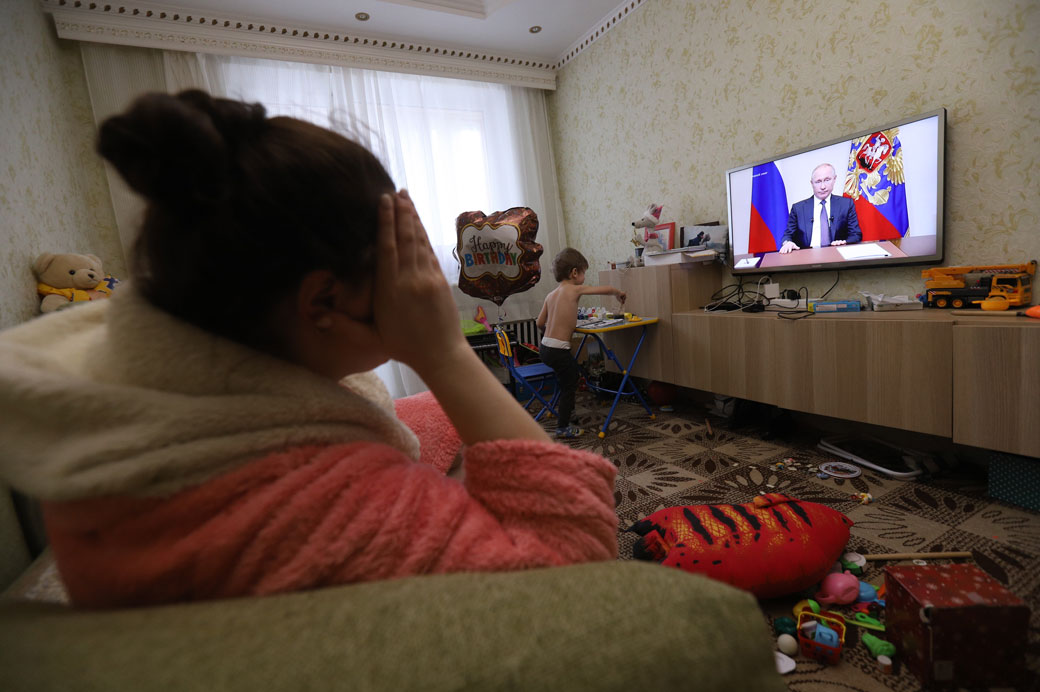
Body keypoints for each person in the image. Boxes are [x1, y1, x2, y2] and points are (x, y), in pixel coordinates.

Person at [0, 90, 618, 608]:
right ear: (323, 303)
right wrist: (445, 353)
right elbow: (579, 553)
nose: (418, 288)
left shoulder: (140, 387)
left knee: (432, 411)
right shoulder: (309, 509)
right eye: (400, 274)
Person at [536, 248, 626, 439]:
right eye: (584, 272)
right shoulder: (575, 289)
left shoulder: (550, 295)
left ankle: (568, 412)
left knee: (564, 381)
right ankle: (562, 427)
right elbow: (607, 289)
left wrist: (556, 329)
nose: (584, 276)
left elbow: (539, 323)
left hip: (545, 348)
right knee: (571, 383)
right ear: (574, 272)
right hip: (559, 350)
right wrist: (618, 293)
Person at [778, 163, 862, 253]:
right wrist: (787, 243)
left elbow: (856, 235)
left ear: (834, 179)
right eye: (818, 182)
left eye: (827, 180)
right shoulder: (798, 208)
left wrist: (844, 242)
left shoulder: (846, 204)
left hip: (837, 257)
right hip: (806, 259)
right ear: (811, 183)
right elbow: (788, 235)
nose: (823, 187)